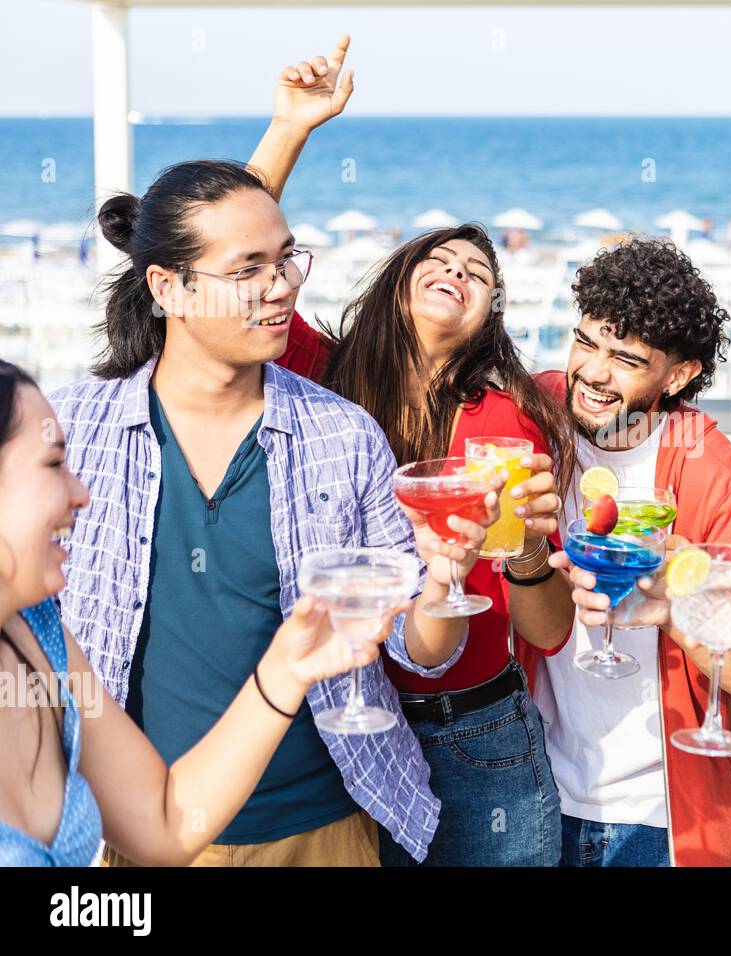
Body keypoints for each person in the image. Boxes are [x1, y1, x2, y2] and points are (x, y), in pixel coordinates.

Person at [49, 158, 498, 867]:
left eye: (288, 260)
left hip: (320, 828)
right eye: (249, 269)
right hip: (129, 831)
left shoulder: (341, 434)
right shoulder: (74, 430)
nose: (282, 286)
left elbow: (422, 648)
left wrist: (444, 583)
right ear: (168, 288)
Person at [244, 38, 574, 866]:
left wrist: (530, 550)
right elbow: (235, 267)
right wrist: (290, 128)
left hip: (479, 733)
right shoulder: (321, 375)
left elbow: (551, 628)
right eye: (443, 258)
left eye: (479, 273)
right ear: (401, 278)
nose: (459, 271)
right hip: (347, 730)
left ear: (487, 316)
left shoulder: (504, 418)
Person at [0, 361, 399, 866]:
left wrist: (288, 668)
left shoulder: (40, 636)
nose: (81, 494)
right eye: (54, 464)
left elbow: (165, 822)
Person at [538, 237, 731, 867]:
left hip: (660, 816)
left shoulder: (716, 478)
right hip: (534, 794)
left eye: (626, 359)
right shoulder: (534, 416)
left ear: (680, 374)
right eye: (587, 342)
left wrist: (685, 606)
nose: (593, 373)